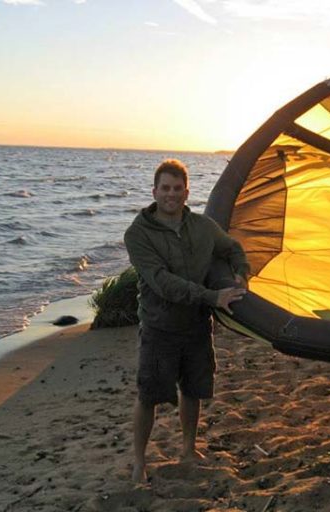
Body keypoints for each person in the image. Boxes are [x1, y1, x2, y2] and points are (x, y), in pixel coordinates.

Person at [124, 158, 249, 483]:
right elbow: (161, 282)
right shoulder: (137, 234)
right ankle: (139, 461)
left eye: (177, 188)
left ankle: (188, 448)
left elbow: (232, 247)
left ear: (186, 192)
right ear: (154, 191)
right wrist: (212, 297)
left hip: (195, 327)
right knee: (149, 395)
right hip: (159, 327)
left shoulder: (202, 226)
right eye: (165, 188)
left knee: (192, 390)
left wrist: (240, 272)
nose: (171, 194)